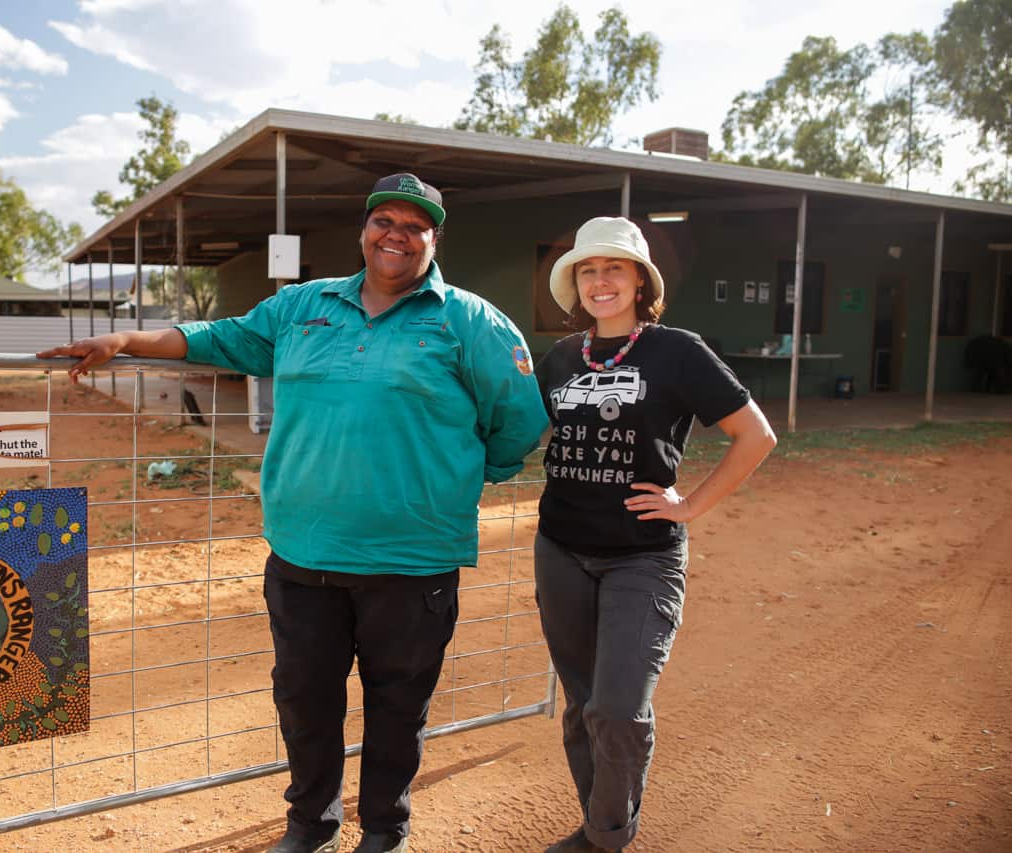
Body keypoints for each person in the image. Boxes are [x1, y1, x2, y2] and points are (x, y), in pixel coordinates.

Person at [38, 173, 547, 853]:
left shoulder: (471, 322)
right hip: (304, 554)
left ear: (434, 237)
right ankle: (311, 824)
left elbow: (518, 422)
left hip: (412, 557)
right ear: (364, 230)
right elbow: (212, 338)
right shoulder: (302, 307)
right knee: (305, 703)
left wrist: (457, 476)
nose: (396, 234)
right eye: (384, 220)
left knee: (398, 707)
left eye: (414, 225)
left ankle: (385, 829)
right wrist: (126, 341)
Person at [533, 217, 776, 852]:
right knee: (582, 705)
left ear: (641, 281)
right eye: (588, 269)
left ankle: (608, 836)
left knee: (616, 708)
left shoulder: (679, 351)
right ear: (576, 285)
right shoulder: (560, 358)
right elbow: (525, 429)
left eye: (614, 267)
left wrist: (691, 503)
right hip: (559, 549)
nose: (600, 280)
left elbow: (756, 435)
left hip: (642, 556)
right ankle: (599, 822)